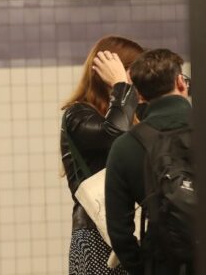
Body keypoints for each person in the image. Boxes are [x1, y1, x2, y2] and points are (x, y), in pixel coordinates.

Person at [60, 36, 143, 274]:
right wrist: (120, 85)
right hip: (96, 236)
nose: (135, 80)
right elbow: (115, 135)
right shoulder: (77, 115)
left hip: (129, 232)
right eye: (131, 71)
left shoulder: (133, 113)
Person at [105, 49, 193, 275]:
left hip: (162, 264)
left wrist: (143, 267)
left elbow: (119, 232)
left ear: (140, 97)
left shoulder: (125, 146)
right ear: (181, 82)